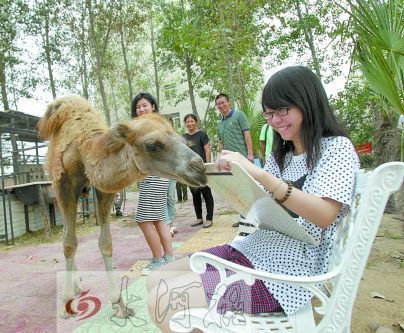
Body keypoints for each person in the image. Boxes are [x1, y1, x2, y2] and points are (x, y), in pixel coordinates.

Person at [146, 66, 360, 332]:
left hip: (287, 272)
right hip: (253, 249)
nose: (275, 120)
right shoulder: (281, 154)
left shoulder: (336, 148)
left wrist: (258, 173)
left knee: (166, 301)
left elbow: (325, 214)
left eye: (282, 110)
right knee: (158, 277)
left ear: (308, 102)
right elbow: (260, 204)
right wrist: (231, 182)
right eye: (270, 114)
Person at [131, 92, 175, 275]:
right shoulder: (153, 124)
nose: (141, 109)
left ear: (153, 106)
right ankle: (169, 257)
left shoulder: (152, 126)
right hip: (158, 175)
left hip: (154, 175)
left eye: (144, 105)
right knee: (158, 219)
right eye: (138, 107)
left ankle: (158, 259)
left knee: (143, 219)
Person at [215, 93, 254, 227]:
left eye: (223, 102)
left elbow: (247, 134)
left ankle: (253, 218)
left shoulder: (239, 115)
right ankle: (243, 218)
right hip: (229, 163)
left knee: (247, 190)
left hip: (243, 159)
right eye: (218, 104)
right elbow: (221, 142)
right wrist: (220, 158)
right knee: (236, 191)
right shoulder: (219, 123)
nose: (221, 105)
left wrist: (250, 154)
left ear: (229, 102)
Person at [183, 114, 215, 229]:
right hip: (190, 170)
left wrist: (207, 165)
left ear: (195, 122)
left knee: (207, 194)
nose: (190, 123)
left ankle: (209, 218)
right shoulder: (184, 137)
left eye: (192, 121)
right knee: (195, 194)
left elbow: (207, 150)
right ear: (185, 124)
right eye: (187, 122)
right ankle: (199, 218)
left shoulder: (202, 134)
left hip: (201, 169)